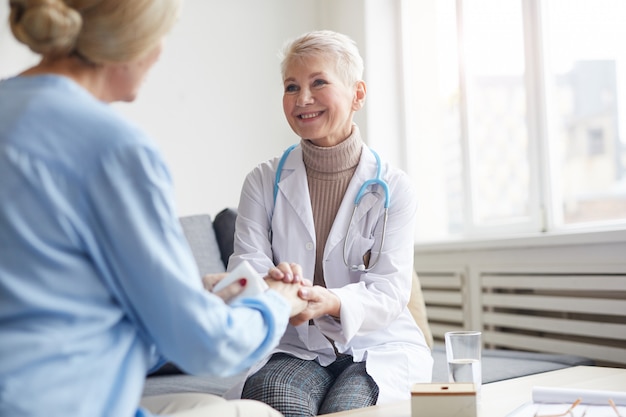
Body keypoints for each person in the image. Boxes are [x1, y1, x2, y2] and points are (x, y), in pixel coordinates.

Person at [0, 1, 308, 416]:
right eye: (160, 37)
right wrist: (277, 303)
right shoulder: (114, 147)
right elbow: (207, 347)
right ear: (129, 40)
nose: (161, 53)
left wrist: (185, 294)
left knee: (202, 402)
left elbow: (55, 303)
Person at [227, 30, 433, 416]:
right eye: (291, 86)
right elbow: (244, 269)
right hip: (295, 344)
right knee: (276, 401)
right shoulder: (262, 181)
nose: (302, 98)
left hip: (378, 345)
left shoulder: (395, 187)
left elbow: (390, 291)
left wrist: (334, 301)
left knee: (348, 411)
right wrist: (274, 284)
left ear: (357, 94)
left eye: (318, 82)